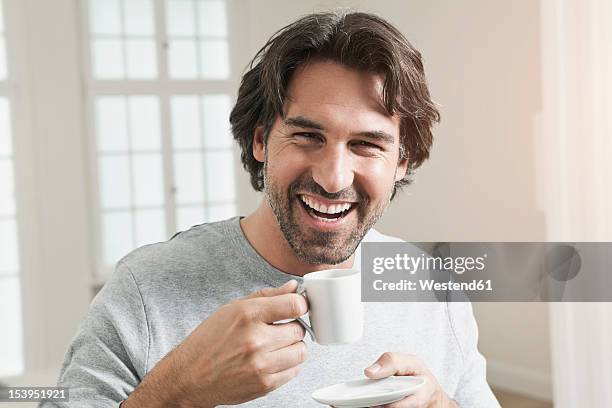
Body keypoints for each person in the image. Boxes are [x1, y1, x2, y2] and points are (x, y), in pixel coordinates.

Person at [43, 11, 499, 408]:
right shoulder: (145, 290)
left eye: (366, 145)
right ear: (261, 139)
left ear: (401, 161)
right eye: (307, 136)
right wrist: (180, 390)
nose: (333, 178)